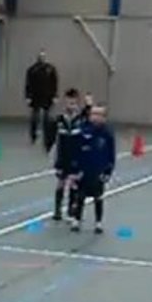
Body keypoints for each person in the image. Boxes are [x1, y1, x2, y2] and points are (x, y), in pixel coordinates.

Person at [72, 105, 116, 234]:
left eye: (99, 114)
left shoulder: (107, 133)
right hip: (84, 170)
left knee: (98, 197)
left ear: (104, 117)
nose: (95, 117)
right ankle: (76, 219)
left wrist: (108, 171)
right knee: (80, 197)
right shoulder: (84, 130)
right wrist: (76, 169)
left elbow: (111, 155)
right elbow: (77, 150)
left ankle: (98, 222)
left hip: (99, 171)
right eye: (93, 114)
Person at [52, 88, 85, 221]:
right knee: (60, 182)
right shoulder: (60, 120)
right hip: (62, 156)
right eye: (68, 103)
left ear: (77, 104)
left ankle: (71, 208)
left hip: (75, 156)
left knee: (73, 183)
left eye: (73, 103)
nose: (70, 106)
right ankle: (57, 209)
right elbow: (56, 139)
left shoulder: (81, 120)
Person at [24, 50, 58, 146]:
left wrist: (55, 96)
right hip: (35, 96)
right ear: (38, 57)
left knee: (47, 118)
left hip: (47, 96)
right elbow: (28, 84)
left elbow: (54, 83)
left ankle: (47, 137)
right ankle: (33, 136)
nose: (42, 58)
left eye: (44, 56)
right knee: (35, 118)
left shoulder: (51, 69)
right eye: (41, 56)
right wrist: (28, 96)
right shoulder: (32, 69)